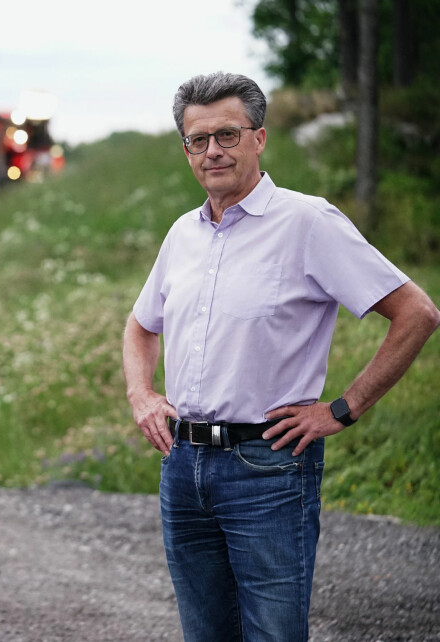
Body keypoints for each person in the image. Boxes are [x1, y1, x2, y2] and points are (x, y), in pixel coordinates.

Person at [121, 72, 439, 641]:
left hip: (266, 467)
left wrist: (343, 409)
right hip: (182, 467)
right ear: (186, 149)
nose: (213, 151)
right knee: (206, 634)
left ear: (259, 138)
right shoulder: (183, 234)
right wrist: (141, 394)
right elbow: (142, 326)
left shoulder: (308, 222)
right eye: (198, 140)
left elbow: (417, 312)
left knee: (272, 635)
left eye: (227, 135)